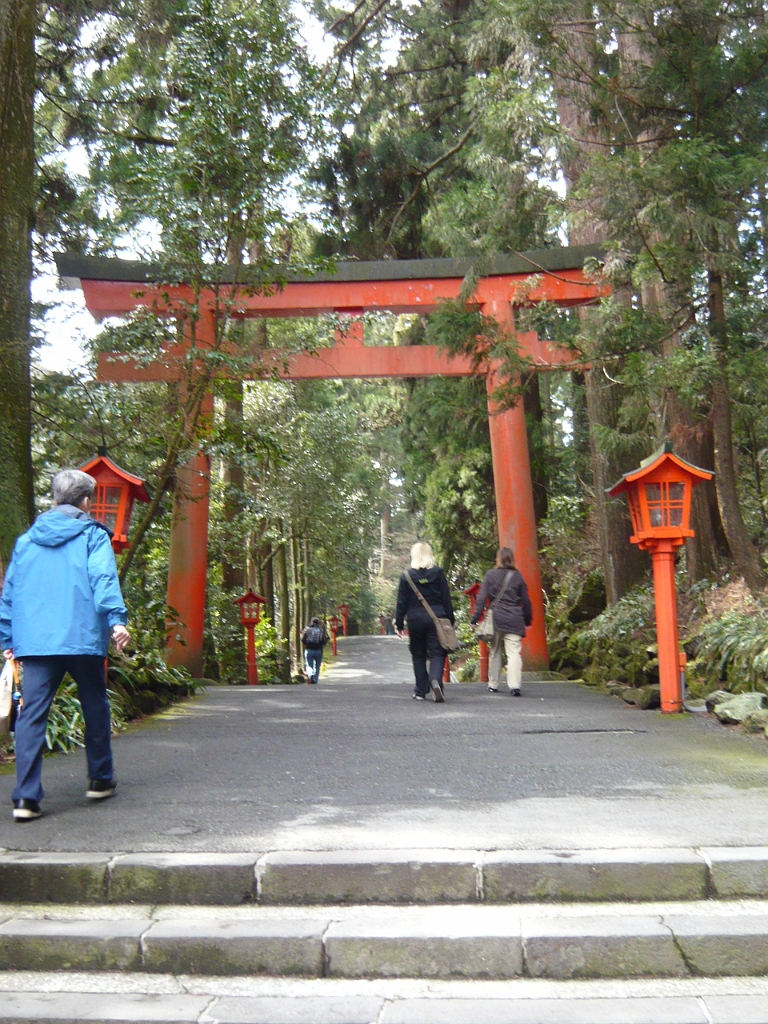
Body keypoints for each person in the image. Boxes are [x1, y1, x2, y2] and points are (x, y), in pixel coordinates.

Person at [0, 469, 130, 822]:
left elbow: (9, 592)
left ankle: (25, 798)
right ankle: (100, 779)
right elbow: (102, 577)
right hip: (82, 635)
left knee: (32, 715)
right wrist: (117, 620)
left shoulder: (26, 541)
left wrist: (8, 638)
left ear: (55, 498)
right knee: (94, 703)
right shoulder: (93, 535)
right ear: (86, 501)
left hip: (37, 640)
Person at [395, 541, 454, 703]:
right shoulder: (438, 573)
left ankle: (420, 691)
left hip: (415, 620)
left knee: (418, 655)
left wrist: (399, 624)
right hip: (437, 618)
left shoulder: (406, 576)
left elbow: (401, 603)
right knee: (437, 653)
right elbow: (446, 598)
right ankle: (436, 682)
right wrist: (451, 620)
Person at [471, 546, 532, 696]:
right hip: (514, 618)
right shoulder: (517, 576)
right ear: (512, 559)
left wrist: (474, 618)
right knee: (514, 653)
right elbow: (526, 601)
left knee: (495, 650)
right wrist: (527, 620)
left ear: (498, 559)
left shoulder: (490, 575)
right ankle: (515, 686)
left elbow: (481, 598)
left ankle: (493, 684)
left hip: (496, 618)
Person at [301, 616, 328, 685]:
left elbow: (303, 639)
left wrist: (306, 644)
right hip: (318, 650)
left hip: (309, 650)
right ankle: (315, 680)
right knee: (317, 666)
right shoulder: (321, 630)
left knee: (309, 665)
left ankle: (310, 677)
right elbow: (324, 640)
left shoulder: (307, 629)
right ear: (318, 622)